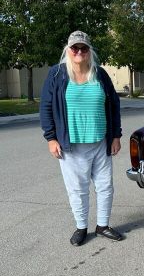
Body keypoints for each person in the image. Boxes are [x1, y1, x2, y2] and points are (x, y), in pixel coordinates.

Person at [40, 30, 123, 247]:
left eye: (83, 48)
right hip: (72, 146)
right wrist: (51, 138)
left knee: (105, 186)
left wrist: (116, 135)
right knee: (77, 189)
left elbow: (114, 104)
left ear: (89, 51)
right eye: (75, 48)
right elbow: (46, 107)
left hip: (100, 143)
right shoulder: (57, 74)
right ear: (68, 50)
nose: (79, 52)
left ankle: (103, 225)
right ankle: (81, 227)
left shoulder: (100, 74)